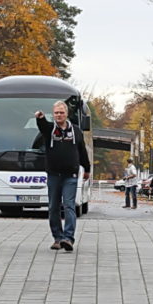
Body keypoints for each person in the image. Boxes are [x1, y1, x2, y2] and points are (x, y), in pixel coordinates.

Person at [35, 101, 90, 252]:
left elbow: (82, 151)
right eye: (56, 113)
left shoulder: (76, 131)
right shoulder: (50, 130)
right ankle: (58, 238)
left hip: (70, 175)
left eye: (61, 113)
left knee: (69, 205)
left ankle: (68, 238)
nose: (59, 115)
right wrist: (40, 118)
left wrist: (87, 168)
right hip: (54, 175)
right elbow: (43, 126)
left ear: (67, 114)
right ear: (53, 115)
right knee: (53, 207)